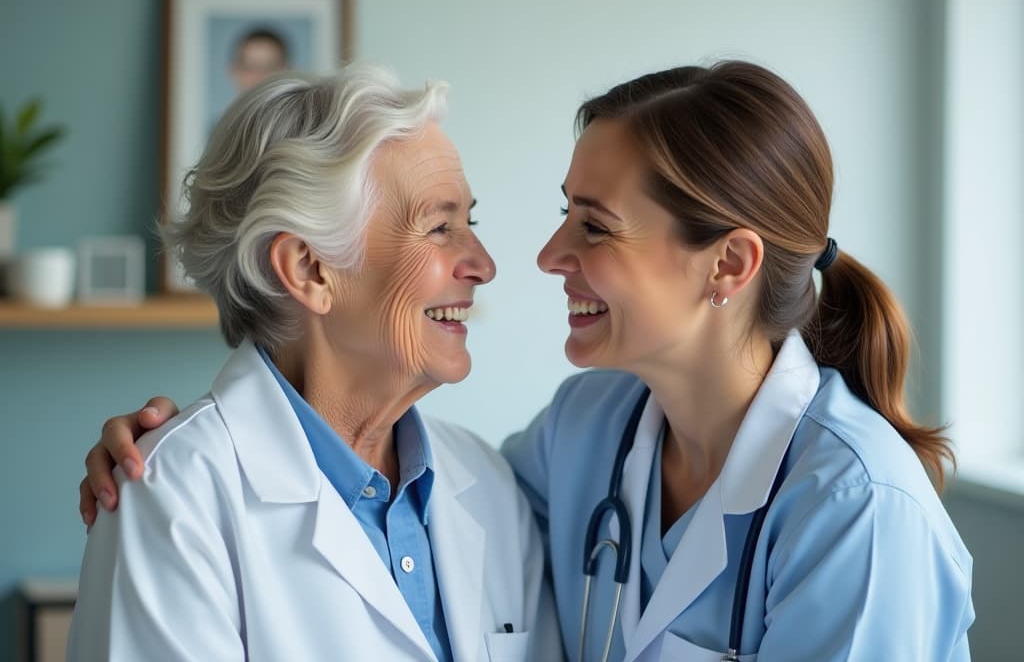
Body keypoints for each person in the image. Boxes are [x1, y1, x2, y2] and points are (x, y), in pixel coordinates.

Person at [80, 61, 974, 661]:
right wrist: (174, 453)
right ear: (309, 268)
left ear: (728, 266)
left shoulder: (858, 509)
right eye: (441, 225)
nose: (519, 260)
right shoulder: (575, 443)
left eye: (595, 224)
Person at [68, 64, 560, 662]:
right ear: (309, 269)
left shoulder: (488, 484)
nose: (482, 264)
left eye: (470, 222)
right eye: (438, 228)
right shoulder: (171, 499)